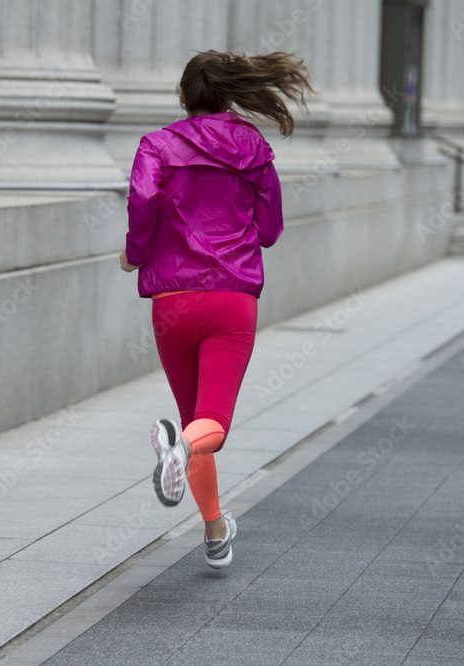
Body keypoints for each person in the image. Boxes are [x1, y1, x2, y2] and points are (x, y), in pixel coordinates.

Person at [119, 50, 312, 569]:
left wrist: (135, 253)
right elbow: (269, 232)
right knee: (211, 427)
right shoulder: (253, 148)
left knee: (193, 422)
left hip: (171, 302)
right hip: (231, 299)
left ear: (182, 97)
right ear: (227, 95)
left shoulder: (156, 145)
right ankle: (179, 453)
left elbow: (141, 201)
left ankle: (215, 533)